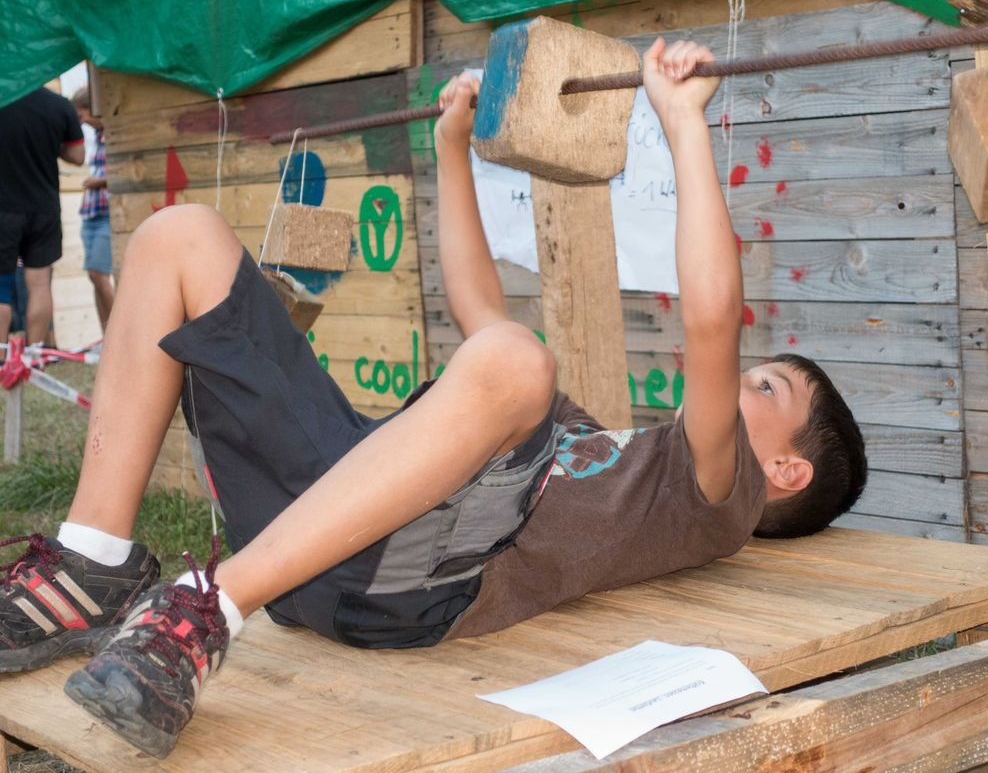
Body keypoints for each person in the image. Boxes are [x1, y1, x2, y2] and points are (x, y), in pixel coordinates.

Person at [0, 40, 867, 758]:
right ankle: (91, 562)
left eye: (766, 384)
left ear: (783, 470)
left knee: (517, 359)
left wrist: (680, 122)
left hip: (407, 584)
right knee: (177, 237)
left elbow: (711, 320)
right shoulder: (597, 449)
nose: (737, 379)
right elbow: (477, 307)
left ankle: (203, 612)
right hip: (330, 518)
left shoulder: (709, 496)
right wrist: (453, 148)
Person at [0, 87, 85, 345]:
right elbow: (77, 155)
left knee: (1, 290)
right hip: (44, 208)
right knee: (39, 284)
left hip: (4, 209)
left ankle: (1, 357)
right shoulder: (59, 104)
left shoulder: (4, 97)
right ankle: (33, 356)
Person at [70, 87, 114, 333]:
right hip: (92, 212)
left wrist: (98, 182)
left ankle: (119, 332)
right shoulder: (97, 136)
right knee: (94, 276)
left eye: (82, 115)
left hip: (107, 211)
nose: (82, 122)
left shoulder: (114, 134)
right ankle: (106, 334)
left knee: (99, 274)